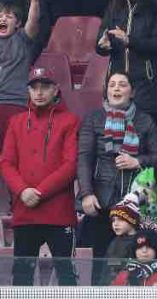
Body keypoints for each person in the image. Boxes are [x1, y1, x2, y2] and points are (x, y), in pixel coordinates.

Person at [77, 72, 157, 284]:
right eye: (112, 85)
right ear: (106, 91)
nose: (116, 89)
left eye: (122, 85)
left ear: (132, 92)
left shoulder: (145, 120)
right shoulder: (94, 118)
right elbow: (84, 159)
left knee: (133, 265)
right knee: (101, 266)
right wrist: (87, 194)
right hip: (101, 202)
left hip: (135, 205)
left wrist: (138, 161)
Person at [0, 65, 80, 286]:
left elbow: (71, 164)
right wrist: (22, 190)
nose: (39, 92)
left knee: (67, 276)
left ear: (56, 90)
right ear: (28, 91)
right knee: (22, 277)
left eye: (45, 87)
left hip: (58, 212)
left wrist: (40, 191)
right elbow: (6, 162)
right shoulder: (15, 122)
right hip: (25, 210)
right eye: (34, 87)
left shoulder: (70, 121)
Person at [95, 0, 157, 126]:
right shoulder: (115, 5)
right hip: (118, 86)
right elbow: (99, 45)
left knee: (148, 146)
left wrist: (129, 40)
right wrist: (103, 45)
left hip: (148, 88)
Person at [0, 0, 43, 145]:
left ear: (18, 24)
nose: (3, 19)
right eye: (0, 16)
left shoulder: (21, 39)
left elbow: (32, 23)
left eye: (9, 16)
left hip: (15, 104)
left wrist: (35, 1)